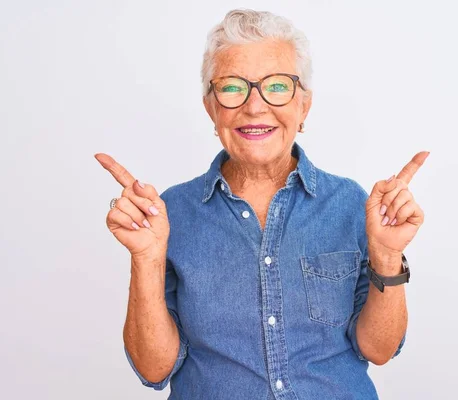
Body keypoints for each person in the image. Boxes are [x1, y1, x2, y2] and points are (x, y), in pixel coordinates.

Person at [95, 8, 428, 400]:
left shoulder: (351, 203)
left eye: (277, 86)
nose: (255, 107)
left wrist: (387, 257)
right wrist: (146, 259)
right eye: (233, 87)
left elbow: (380, 349)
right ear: (211, 108)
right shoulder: (170, 213)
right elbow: (154, 369)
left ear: (303, 105)